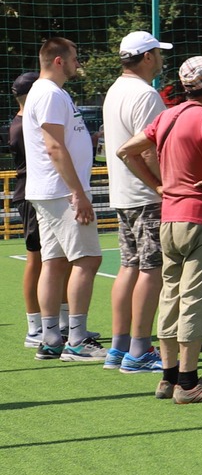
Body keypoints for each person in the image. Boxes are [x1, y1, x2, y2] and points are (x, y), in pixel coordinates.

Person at [125, 55, 202, 402]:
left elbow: (127, 151)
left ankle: (168, 378)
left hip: (169, 219)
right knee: (194, 299)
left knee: (169, 295)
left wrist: (158, 186)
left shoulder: (167, 115)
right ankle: (188, 383)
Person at [23, 37, 104, 363]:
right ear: (59, 61)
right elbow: (55, 148)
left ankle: (51, 338)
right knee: (87, 260)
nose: (77, 62)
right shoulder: (51, 94)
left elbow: (63, 140)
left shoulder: (50, 94)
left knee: (55, 263)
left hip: (50, 191)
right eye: (74, 56)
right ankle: (77, 340)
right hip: (61, 192)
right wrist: (78, 193)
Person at [101, 31, 171, 373]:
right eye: (158, 54)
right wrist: (164, 186)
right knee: (151, 269)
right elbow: (149, 149)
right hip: (146, 196)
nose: (161, 59)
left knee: (129, 266)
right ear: (147, 57)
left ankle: (120, 348)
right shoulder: (145, 94)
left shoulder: (115, 90)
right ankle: (140, 350)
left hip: (124, 195)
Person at [11, 72, 45, 351]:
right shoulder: (23, 126)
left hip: (35, 194)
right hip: (31, 196)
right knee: (36, 259)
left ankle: (54, 323)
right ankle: (35, 328)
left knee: (52, 259)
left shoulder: (24, 122)